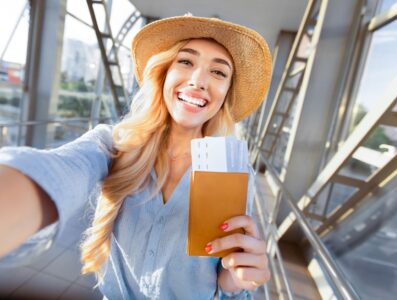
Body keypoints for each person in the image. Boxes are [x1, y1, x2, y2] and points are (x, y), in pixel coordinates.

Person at [0, 15, 272, 299]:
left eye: (219, 72)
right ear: (164, 73)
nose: (198, 80)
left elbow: (228, 278)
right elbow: (60, 169)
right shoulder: (114, 145)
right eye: (186, 62)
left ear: (226, 93)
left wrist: (232, 281)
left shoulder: (232, 170)